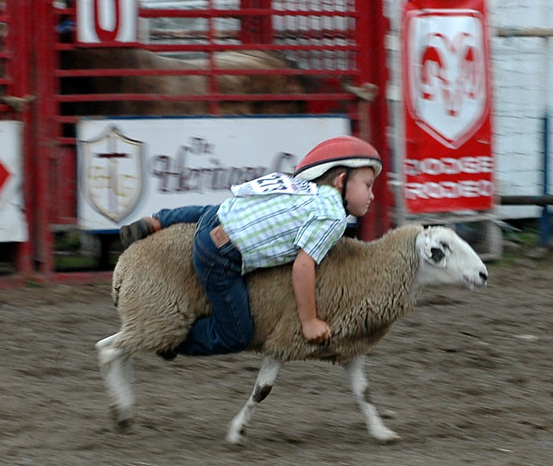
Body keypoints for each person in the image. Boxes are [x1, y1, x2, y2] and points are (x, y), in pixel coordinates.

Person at [119, 135, 382, 357]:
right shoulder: (333, 216)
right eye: (367, 186)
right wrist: (309, 321)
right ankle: (174, 341)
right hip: (220, 254)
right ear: (341, 180)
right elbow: (303, 265)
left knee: (209, 211)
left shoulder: (307, 189)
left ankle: (156, 221)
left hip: (218, 218)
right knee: (236, 334)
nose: (371, 195)